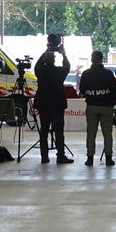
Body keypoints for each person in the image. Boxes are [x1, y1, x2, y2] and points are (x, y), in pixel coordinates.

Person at [33, 33, 73, 164]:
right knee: (59, 132)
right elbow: (67, 66)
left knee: (43, 131)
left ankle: (44, 157)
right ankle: (60, 156)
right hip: (57, 105)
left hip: (43, 105)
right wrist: (64, 53)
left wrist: (48, 49)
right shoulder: (59, 72)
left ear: (45, 60)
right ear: (54, 60)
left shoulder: (40, 71)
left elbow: (37, 65)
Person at [79, 51, 116, 167]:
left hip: (91, 106)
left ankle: (90, 159)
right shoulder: (108, 74)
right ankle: (108, 158)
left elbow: (82, 90)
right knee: (107, 134)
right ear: (102, 59)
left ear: (92, 60)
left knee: (91, 134)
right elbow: (115, 91)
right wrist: (111, 103)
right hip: (106, 107)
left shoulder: (86, 74)